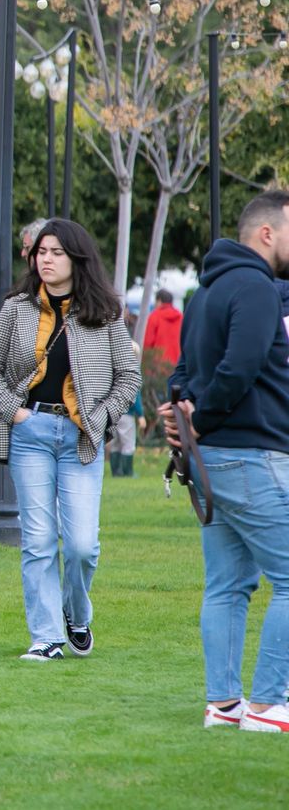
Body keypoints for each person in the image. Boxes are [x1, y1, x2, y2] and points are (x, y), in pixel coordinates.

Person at [0, 218, 140, 662]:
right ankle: (45, 636)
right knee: (39, 540)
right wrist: (17, 413)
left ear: (76, 258)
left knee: (83, 545)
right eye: (41, 252)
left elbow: (128, 378)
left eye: (56, 253)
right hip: (31, 434)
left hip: (81, 438)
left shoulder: (103, 312)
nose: (45, 260)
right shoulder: (17, 308)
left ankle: (76, 612)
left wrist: (100, 418)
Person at [160, 190, 289, 732]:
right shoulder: (257, 287)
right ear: (266, 233)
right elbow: (237, 370)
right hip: (250, 454)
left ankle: (224, 704)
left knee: (227, 585)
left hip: (213, 460)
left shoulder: (205, 291)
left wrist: (189, 420)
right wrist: (201, 419)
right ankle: (266, 704)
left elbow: (183, 372)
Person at [143, 288, 182, 365]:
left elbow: (148, 342)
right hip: (177, 363)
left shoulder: (154, 316)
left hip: (157, 364)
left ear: (159, 301)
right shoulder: (180, 317)